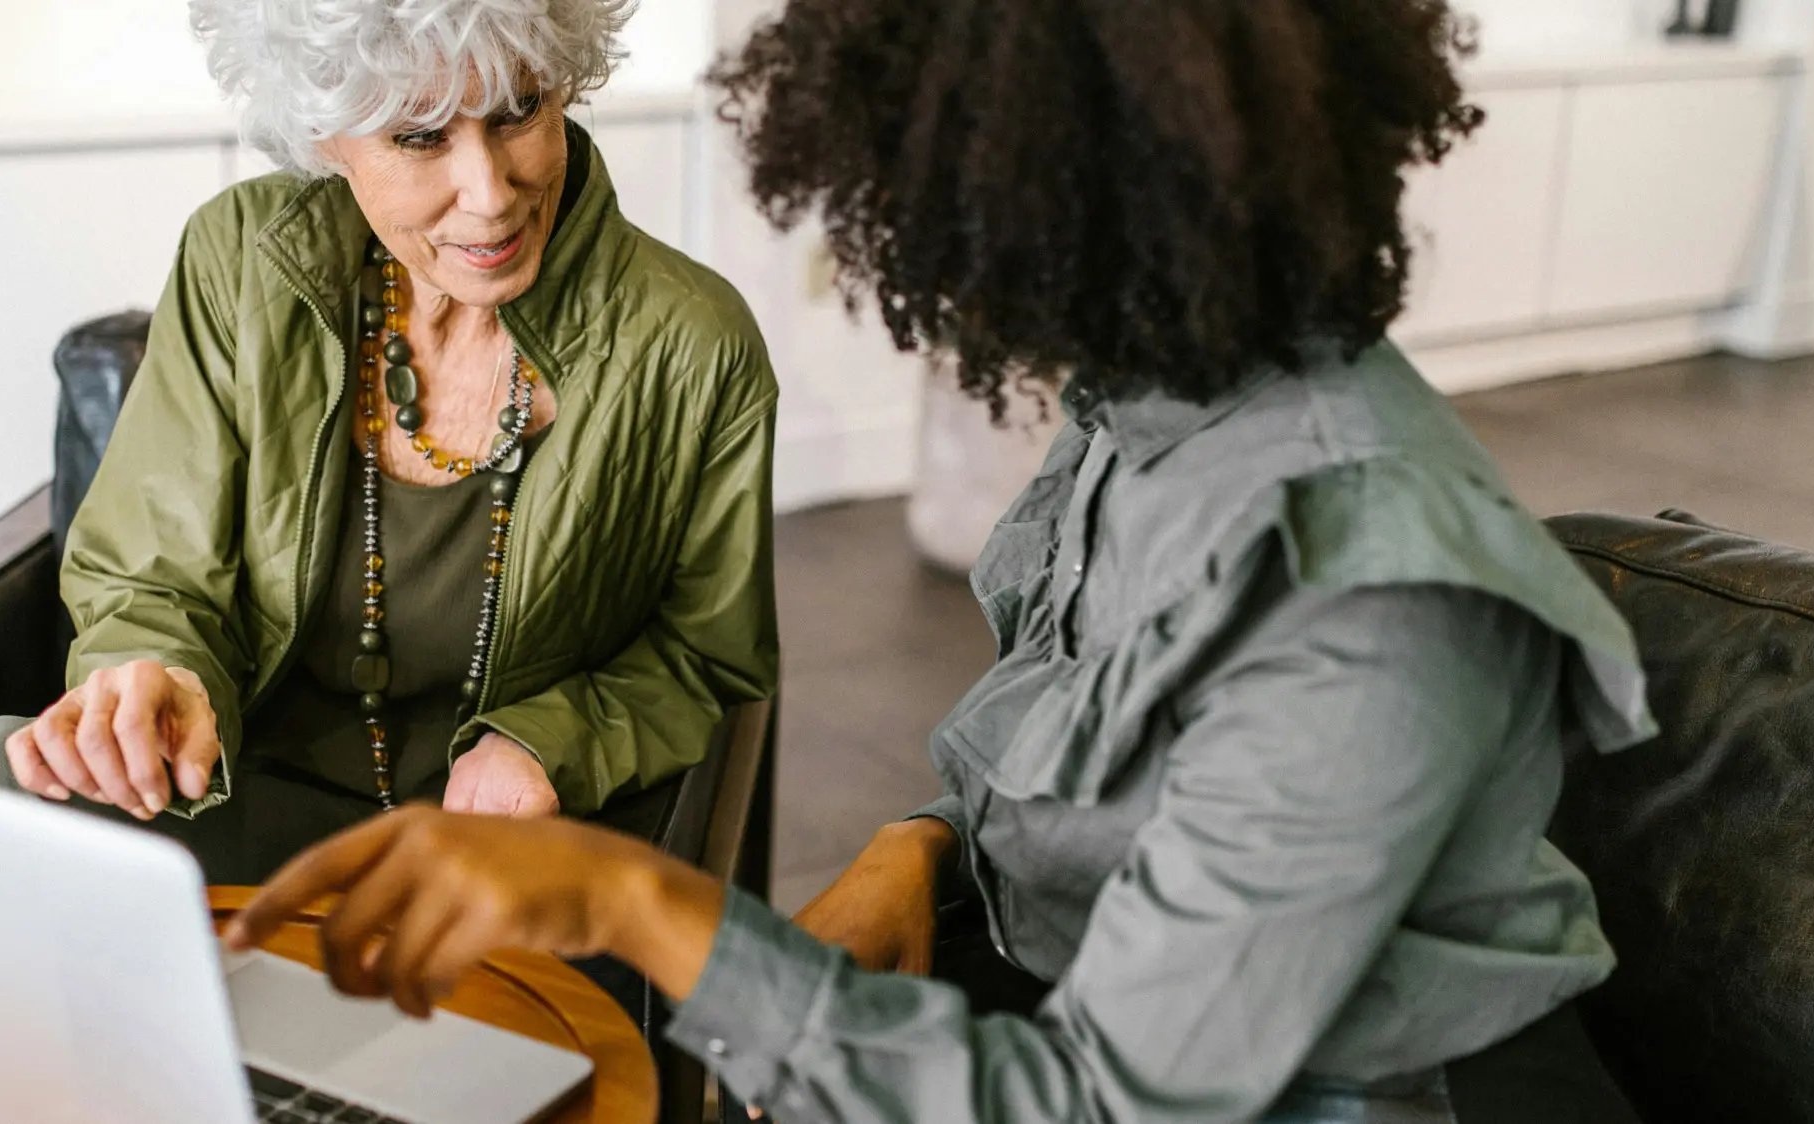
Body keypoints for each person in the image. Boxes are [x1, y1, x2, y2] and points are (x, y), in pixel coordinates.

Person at [224, 1, 1662, 1121]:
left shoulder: (1363, 597)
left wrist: (630, 899)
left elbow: (1096, 1104)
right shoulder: (1147, 398)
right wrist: (923, 841)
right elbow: (1084, 749)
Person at [0, 0, 779, 884]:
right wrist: (165, 678)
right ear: (325, 134)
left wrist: (548, 743)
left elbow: (706, 656)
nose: (492, 192)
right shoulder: (239, 260)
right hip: (231, 796)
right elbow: (152, 576)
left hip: (481, 862)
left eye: (518, 109)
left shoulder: (694, 345)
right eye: (419, 136)